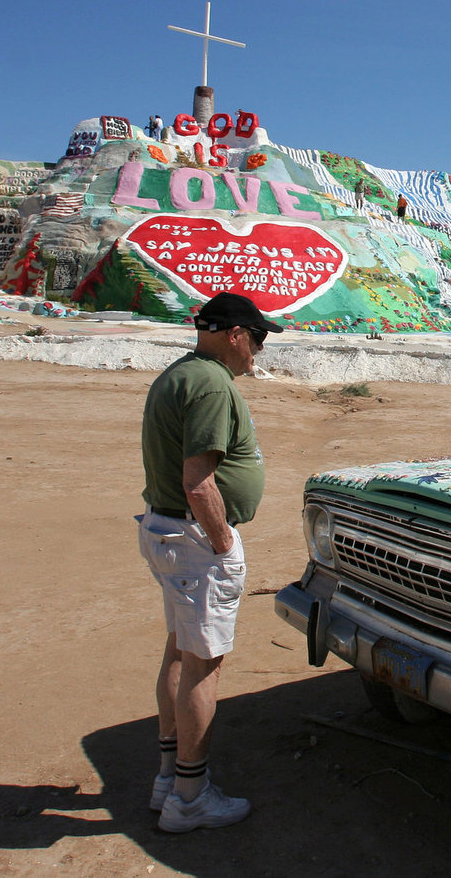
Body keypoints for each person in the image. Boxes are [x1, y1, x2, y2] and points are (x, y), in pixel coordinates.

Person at [137, 291, 282, 833]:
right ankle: (191, 797)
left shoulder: (184, 373)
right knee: (203, 666)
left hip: (168, 533)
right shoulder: (211, 383)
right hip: (195, 542)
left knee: (180, 652)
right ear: (236, 335)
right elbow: (198, 481)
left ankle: (167, 780)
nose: (258, 354)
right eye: (258, 340)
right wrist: (222, 543)